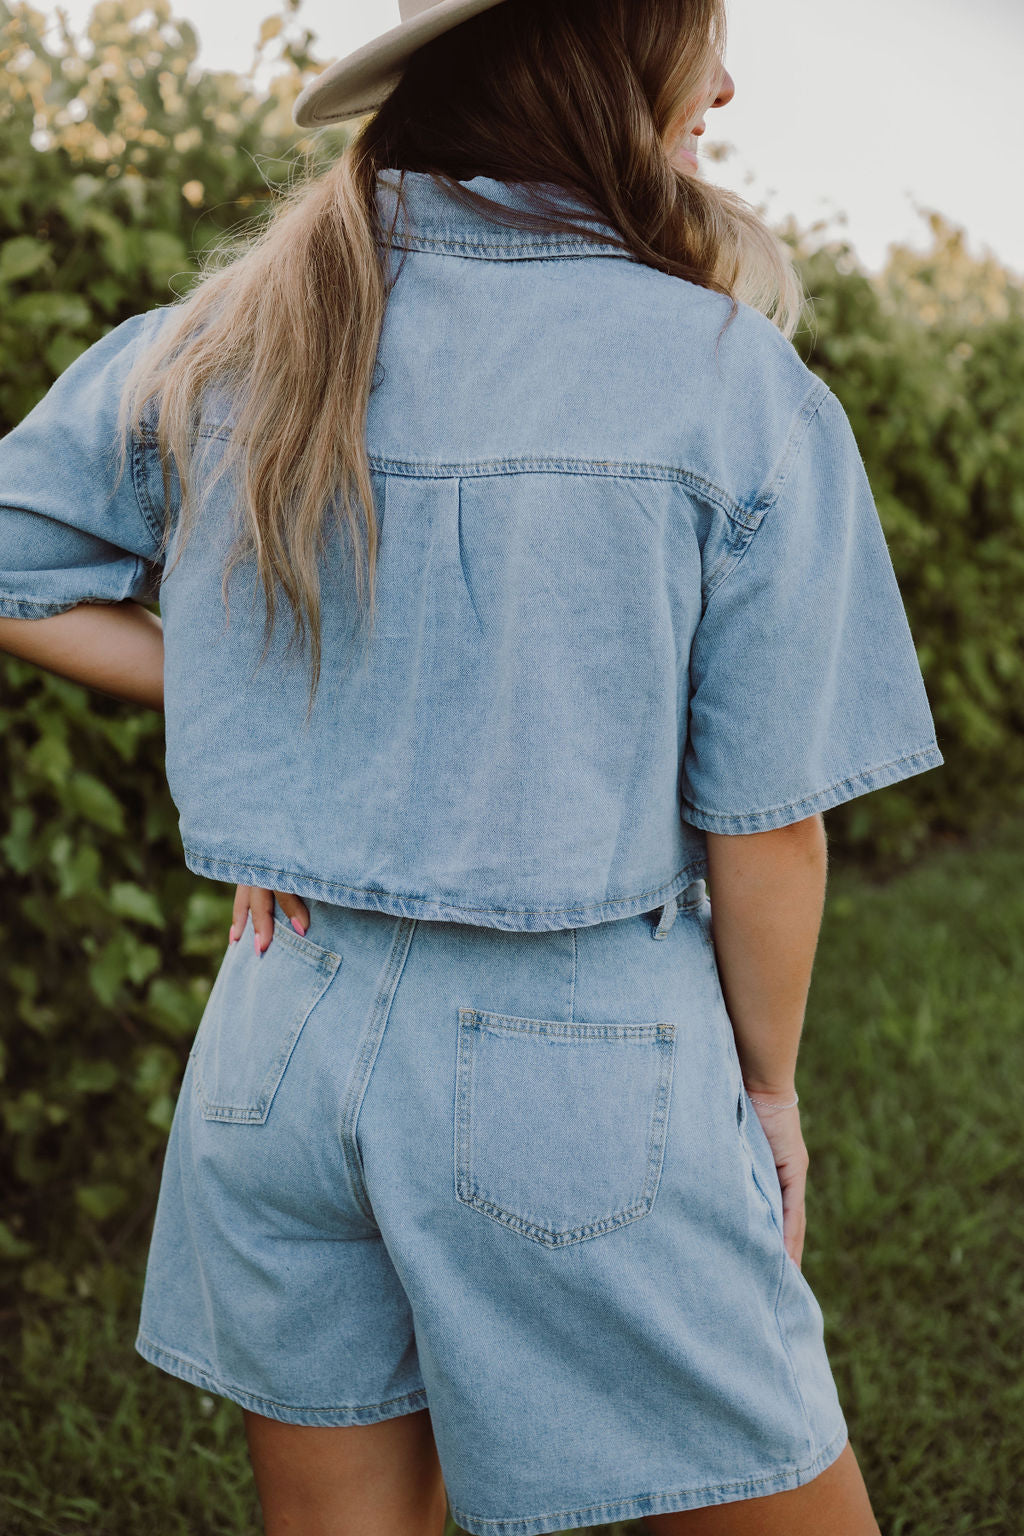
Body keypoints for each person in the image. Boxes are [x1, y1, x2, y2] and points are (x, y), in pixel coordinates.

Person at [0, 1, 945, 1532]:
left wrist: (279, 703)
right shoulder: (723, 375)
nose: (724, 80)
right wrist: (768, 1091)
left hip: (273, 1045)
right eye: (699, 36)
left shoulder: (239, 326)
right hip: (574, 1078)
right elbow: (773, 831)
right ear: (600, 57)